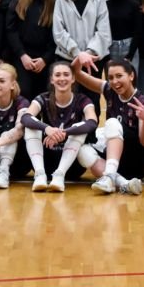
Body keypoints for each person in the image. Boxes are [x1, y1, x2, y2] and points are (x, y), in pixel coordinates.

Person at [72, 58, 144, 196]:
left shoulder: (141, 102)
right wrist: (79, 58)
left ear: (131, 76)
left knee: (112, 123)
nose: (114, 81)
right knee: (82, 149)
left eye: (119, 76)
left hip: (137, 162)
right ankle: (123, 183)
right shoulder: (109, 90)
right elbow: (76, 73)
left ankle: (109, 177)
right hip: (116, 163)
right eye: (111, 77)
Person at [21, 61, 97, 192]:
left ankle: (59, 175)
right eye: (57, 75)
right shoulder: (43, 98)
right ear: (52, 79)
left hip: (72, 167)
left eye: (66, 74)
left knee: (80, 128)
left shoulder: (82, 100)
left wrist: (65, 133)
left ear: (73, 78)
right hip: (46, 161)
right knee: (31, 126)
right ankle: (39, 175)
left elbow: (92, 122)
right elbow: (25, 118)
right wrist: (47, 129)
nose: (62, 78)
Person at [54, 0, 111, 94]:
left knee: (92, 100)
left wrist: (88, 54)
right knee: (68, 98)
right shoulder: (61, 0)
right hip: (68, 59)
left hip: (93, 60)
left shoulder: (99, 0)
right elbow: (59, 32)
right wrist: (78, 54)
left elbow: (104, 32)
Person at [7, 0, 58, 102]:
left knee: (44, 97)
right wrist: (22, 55)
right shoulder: (18, 0)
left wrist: (45, 59)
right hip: (22, 57)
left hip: (44, 59)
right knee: (24, 93)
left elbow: (56, 35)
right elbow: (11, 30)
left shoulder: (54, 4)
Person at [105, 0, 142, 68]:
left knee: (131, 77)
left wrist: (130, 55)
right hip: (111, 47)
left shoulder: (134, 4)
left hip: (130, 48)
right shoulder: (105, 5)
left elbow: (138, 31)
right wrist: (107, 55)